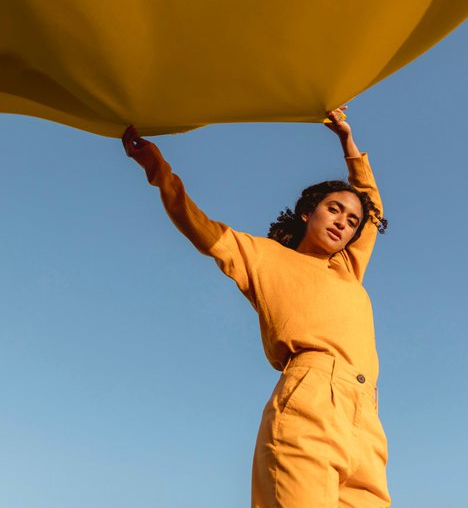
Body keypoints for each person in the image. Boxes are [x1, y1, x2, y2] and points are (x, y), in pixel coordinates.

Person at [122, 106, 390, 508]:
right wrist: (159, 171)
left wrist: (347, 141)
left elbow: (373, 207)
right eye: (334, 209)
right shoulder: (264, 257)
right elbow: (202, 227)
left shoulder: (348, 267)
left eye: (351, 221)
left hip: (367, 418)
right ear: (308, 211)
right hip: (309, 402)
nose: (343, 222)